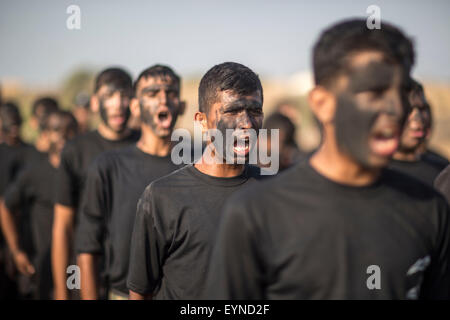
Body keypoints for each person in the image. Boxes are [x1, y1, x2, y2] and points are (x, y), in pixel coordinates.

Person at [206, 19, 450, 300]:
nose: (396, 108)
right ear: (322, 104)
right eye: (375, 92)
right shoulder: (256, 213)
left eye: (402, 91)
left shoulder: (429, 208)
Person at [127, 62, 265, 300]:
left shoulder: (274, 191)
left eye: (255, 111)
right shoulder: (162, 197)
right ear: (202, 121)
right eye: (231, 111)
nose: (247, 124)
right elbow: (141, 292)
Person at [75, 65, 185, 300]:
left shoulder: (196, 164)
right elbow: (87, 248)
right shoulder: (108, 166)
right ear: (135, 106)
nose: (163, 100)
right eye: (153, 94)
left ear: (182, 105)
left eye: (171, 93)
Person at [52, 67, 140, 300]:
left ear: (134, 102)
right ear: (93, 103)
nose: (117, 103)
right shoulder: (75, 151)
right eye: (108, 96)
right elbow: (63, 225)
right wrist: (62, 292)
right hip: (88, 276)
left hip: (136, 281)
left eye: (124, 96)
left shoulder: (146, 146)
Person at [0, 110, 78, 299]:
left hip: (76, 264)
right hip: (44, 263)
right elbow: (5, 207)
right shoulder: (34, 172)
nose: (62, 136)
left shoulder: (85, 171)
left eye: (68, 130)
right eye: (56, 130)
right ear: (45, 134)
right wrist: (16, 251)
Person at [388, 80, 445, 186]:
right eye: (408, 110)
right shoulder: (370, 174)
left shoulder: (443, 172)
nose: (417, 121)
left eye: (422, 109)